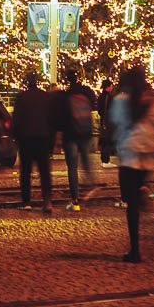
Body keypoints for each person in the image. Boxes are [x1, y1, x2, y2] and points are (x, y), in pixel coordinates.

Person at [109, 67, 154, 263]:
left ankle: (135, 249)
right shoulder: (152, 102)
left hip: (129, 156)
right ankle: (142, 192)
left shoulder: (121, 102)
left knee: (130, 203)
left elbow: (115, 123)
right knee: (136, 196)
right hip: (148, 157)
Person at [12, 71, 55, 213]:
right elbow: (51, 119)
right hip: (43, 137)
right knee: (44, 171)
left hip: (26, 139)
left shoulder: (21, 97)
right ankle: (47, 200)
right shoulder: (45, 97)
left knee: (25, 171)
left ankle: (26, 201)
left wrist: (16, 138)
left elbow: (16, 120)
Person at [56, 70, 97, 211]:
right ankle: (90, 183)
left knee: (72, 167)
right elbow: (93, 103)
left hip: (70, 135)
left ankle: (75, 199)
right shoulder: (85, 92)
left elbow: (61, 117)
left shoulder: (65, 95)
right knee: (86, 160)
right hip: (85, 132)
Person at [97, 79, 115, 168]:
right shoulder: (108, 97)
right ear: (108, 87)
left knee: (104, 140)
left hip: (103, 121)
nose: (112, 87)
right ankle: (106, 160)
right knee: (107, 141)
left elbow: (99, 110)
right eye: (111, 85)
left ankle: (104, 160)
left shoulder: (101, 96)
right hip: (107, 122)